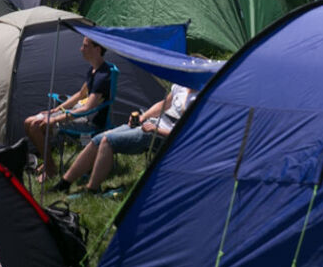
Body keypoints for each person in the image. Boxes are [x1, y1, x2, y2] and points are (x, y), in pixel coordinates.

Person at [52, 84, 195, 194]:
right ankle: (65, 183)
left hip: (161, 136)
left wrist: (157, 130)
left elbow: (188, 132)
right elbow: (163, 105)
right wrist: (142, 117)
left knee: (107, 141)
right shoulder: (180, 86)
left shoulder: (202, 98)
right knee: (97, 139)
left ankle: (92, 189)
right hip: (150, 124)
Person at [24, 36, 112, 182]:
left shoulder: (103, 76)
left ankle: (50, 168)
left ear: (97, 50)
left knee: (34, 126)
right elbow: (80, 94)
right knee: (28, 122)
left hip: (88, 122)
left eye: (85, 46)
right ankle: (48, 163)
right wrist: (54, 110)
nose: (81, 49)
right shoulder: (94, 70)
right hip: (76, 113)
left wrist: (56, 119)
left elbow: (88, 108)